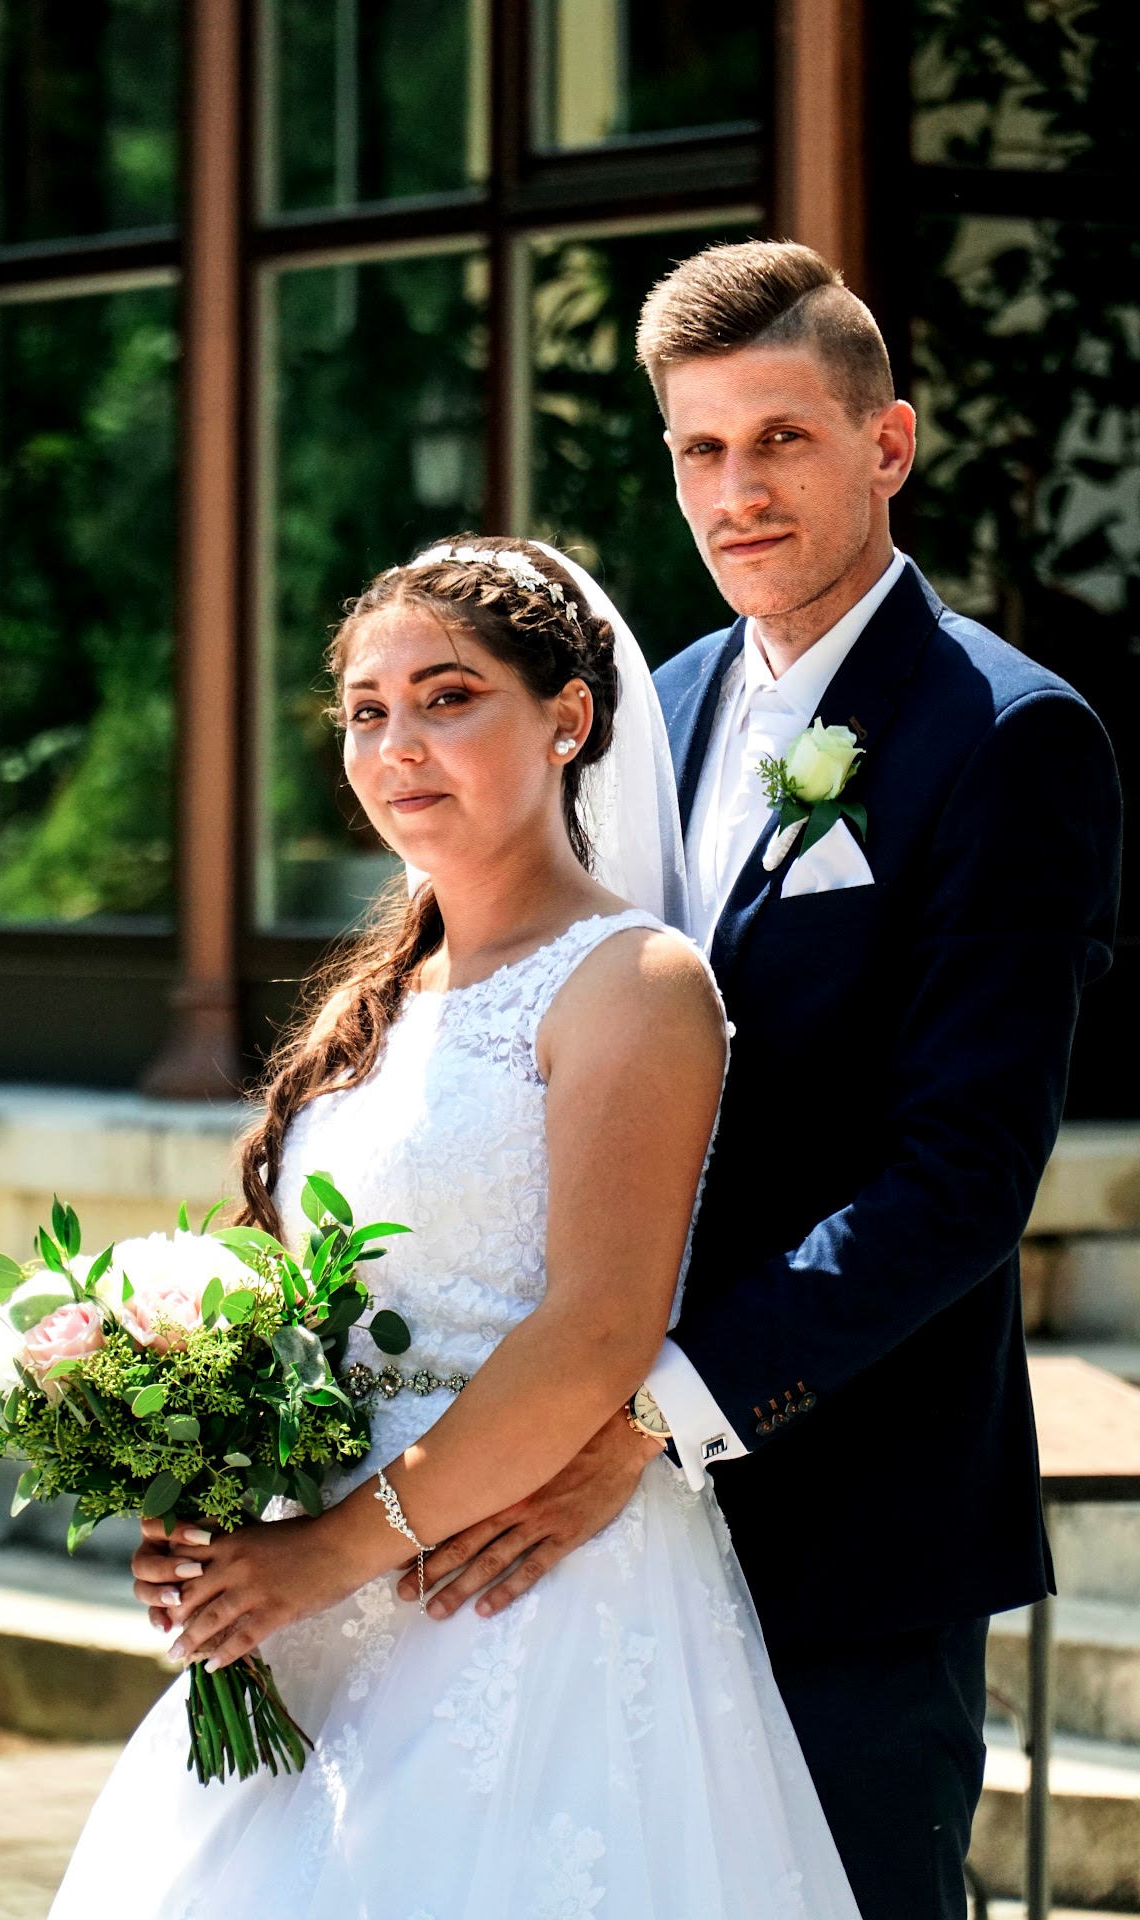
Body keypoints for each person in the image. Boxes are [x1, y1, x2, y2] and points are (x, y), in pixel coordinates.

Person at [403, 243, 1124, 1920]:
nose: (737, 492)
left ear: (889, 445)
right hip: (589, 1532)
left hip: (848, 1515)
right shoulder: (646, 711)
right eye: (700, 449)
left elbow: (961, 1177)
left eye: (782, 439)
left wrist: (658, 1415)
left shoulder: (1010, 738)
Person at [50, 537, 862, 1917]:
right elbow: (288, 1292)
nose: (397, 746)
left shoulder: (635, 984)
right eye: (366, 711)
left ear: (567, 719)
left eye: (448, 697)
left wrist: (327, 1556)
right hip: (310, 1595)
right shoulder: (377, 997)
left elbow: (599, 1330)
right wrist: (202, 1493)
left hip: (520, 1596)